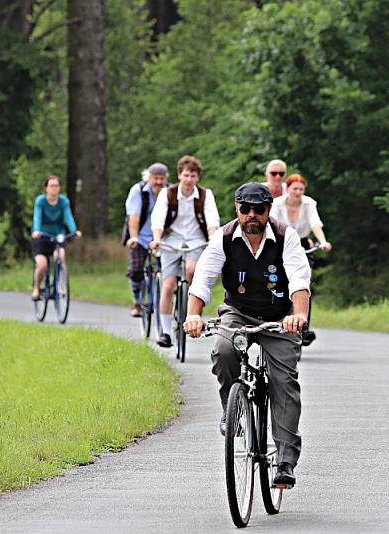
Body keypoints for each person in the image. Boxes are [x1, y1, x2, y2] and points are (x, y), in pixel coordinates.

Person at [184, 182, 311, 488]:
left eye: (259, 209)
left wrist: (299, 315)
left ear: (269, 210)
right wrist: (193, 315)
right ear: (236, 209)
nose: (252, 215)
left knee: (283, 380)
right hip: (238, 312)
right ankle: (234, 409)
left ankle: (284, 461)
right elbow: (203, 278)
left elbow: (299, 277)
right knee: (224, 350)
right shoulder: (224, 238)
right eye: (246, 209)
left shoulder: (285, 236)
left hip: (280, 317)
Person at [150, 155, 220, 347]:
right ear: (180, 175)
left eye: (193, 176)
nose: (189, 179)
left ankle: (187, 304)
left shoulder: (206, 195)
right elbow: (158, 218)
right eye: (186, 175)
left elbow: (212, 220)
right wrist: (156, 239)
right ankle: (165, 332)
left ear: (197, 178)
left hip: (196, 241)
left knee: (191, 270)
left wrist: (213, 237)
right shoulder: (168, 194)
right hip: (171, 240)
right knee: (167, 285)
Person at [271, 173, 331, 345]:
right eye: (294, 188)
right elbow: (273, 225)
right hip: (280, 242)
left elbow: (315, 224)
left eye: (301, 189)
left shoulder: (309, 203)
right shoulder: (277, 204)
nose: (297, 192)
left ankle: (303, 327)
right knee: (276, 279)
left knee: (304, 284)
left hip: (303, 244)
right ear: (287, 189)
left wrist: (323, 242)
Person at [123, 163, 168, 317]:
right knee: (136, 270)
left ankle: (167, 303)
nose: (159, 182)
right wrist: (133, 237)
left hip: (162, 239)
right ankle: (137, 301)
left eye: (162, 179)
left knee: (168, 272)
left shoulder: (170, 191)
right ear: (148, 177)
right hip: (141, 236)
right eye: (156, 178)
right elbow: (133, 217)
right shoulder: (138, 191)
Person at [30, 175, 82, 300]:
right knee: (42, 265)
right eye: (51, 186)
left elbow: (68, 216)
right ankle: (36, 287)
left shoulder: (63, 201)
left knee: (60, 256)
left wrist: (74, 231)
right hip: (42, 236)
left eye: (56, 186)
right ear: (46, 188)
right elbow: (37, 217)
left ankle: (59, 284)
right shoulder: (41, 201)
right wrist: (36, 230)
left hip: (58, 236)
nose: (54, 188)